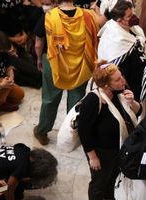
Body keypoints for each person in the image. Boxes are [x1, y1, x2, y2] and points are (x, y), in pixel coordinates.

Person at [78, 61, 139, 200]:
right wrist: (92, 157)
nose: (123, 81)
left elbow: (138, 110)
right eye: (118, 79)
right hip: (101, 152)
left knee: (112, 178)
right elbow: (84, 131)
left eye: (121, 77)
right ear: (106, 85)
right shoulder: (93, 100)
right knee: (98, 184)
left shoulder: (120, 93)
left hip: (118, 148)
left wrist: (132, 102)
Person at [34, 0, 99, 145]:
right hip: (80, 64)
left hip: (54, 62)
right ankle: (71, 134)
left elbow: (39, 43)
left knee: (50, 99)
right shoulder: (88, 16)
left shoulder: (49, 16)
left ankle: (42, 132)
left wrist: (39, 59)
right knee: (76, 101)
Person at [98, 1, 146, 100]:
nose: (134, 17)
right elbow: (117, 72)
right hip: (132, 86)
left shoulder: (134, 28)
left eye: (133, 13)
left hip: (142, 77)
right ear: (119, 20)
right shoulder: (114, 40)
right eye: (130, 16)